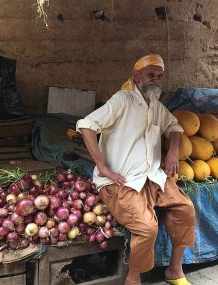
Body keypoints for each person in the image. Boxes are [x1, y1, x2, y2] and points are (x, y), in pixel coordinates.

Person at [77, 54, 195, 285]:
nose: (156, 80)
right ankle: (133, 279)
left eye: (159, 76)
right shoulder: (123, 100)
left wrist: (173, 151)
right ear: (137, 75)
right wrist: (102, 166)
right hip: (121, 181)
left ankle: (175, 270)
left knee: (186, 209)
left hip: (152, 177)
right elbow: (86, 125)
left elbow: (175, 126)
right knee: (147, 227)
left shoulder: (156, 105)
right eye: (151, 75)